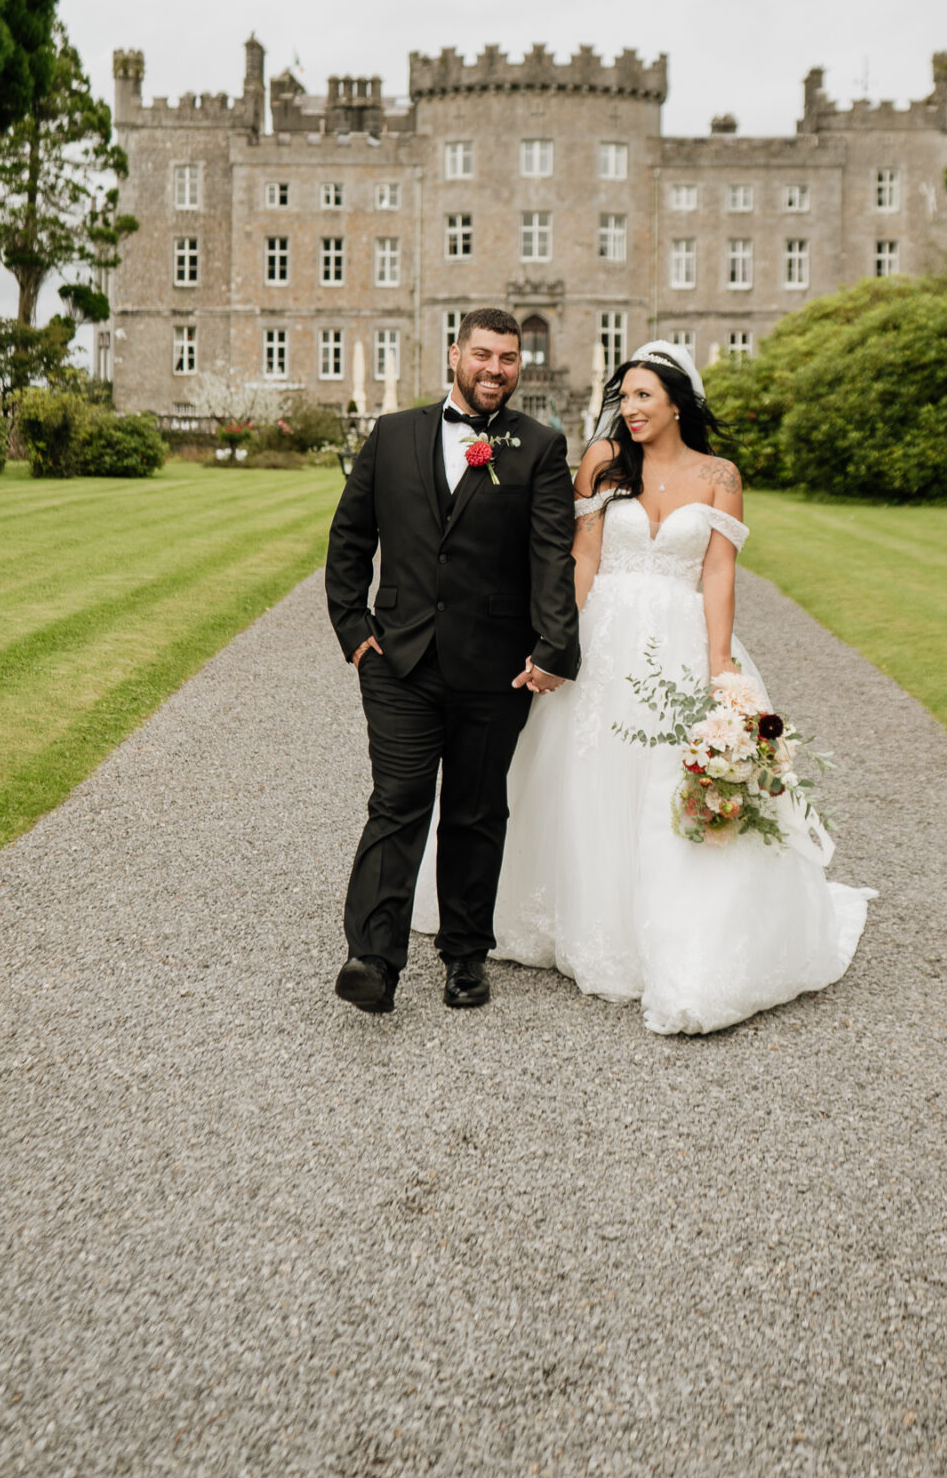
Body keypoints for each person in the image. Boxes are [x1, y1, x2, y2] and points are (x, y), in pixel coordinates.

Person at [486, 340, 870, 1035]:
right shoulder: (603, 462)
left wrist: (720, 661)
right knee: (582, 768)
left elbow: (717, 571)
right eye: (623, 397)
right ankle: (576, 919)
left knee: (670, 774)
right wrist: (557, 640)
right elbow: (585, 555)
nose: (627, 409)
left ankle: (675, 931)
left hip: (679, 636)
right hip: (605, 634)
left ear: (676, 404)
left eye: (642, 397)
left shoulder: (720, 474)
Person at [325, 308, 580, 1016]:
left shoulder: (539, 447)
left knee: (474, 811)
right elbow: (349, 538)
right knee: (397, 802)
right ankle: (372, 958)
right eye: (482, 355)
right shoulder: (395, 434)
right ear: (454, 355)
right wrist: (354, 629)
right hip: (398, 659)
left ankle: (464, 956)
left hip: (495, 667)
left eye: (507, 358)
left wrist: (554, 648)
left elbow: (551, 557)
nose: (494, 369)